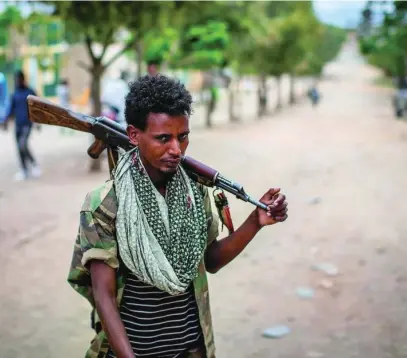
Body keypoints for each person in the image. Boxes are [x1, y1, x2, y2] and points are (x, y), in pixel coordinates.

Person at [67, 75, 288, 358]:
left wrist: (256, 221)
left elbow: (211, 260)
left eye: (183, 137)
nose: (176, 149)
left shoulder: (193, 190)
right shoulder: (106, 203)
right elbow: (104, 295)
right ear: (134, 135)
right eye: (163, 138)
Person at [1, 70, 41, 181]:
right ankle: (24, 170)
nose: (17, 81)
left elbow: (38, 107)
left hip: (27, 124)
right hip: (18, 125)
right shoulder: (14, 94)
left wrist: (38, 122)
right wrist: (5, 122)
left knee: (22, 144)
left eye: (19, 79)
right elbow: (10, 110)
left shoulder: (30, 92)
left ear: (23, 79)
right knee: (19, 147)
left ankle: (34, 164)